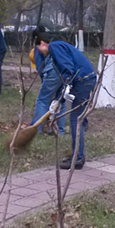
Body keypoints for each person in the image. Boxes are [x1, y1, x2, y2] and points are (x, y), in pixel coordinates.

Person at [34, 32, 96, 170]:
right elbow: (65, 73)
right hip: (85, 79)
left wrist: (68, 84)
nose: (40, 53)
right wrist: (58, 100)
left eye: (39, 49)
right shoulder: (60, 47)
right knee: (77, 118)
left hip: (82, 80)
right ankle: (77, 155)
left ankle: (77, 158)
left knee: (75, 119)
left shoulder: (54, 46)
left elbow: (68, 68)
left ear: (42, 43)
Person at [29, 30, 66, 137]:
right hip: (64, 71)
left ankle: (35, 130)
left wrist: (45, 82)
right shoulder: (55, 45)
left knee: (42, 100)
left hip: (52, 73)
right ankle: (60, 131)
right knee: (60, 100)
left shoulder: (37, 49)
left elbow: (40, 69)